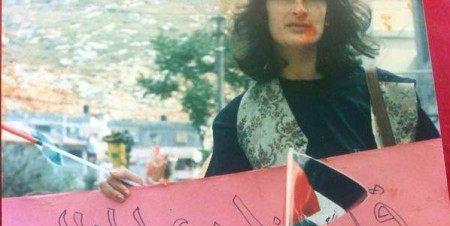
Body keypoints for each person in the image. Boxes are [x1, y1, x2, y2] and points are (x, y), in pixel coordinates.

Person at [99, 0, 439, 200]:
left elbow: (439, 190)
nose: (300, 9)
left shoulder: (391, 96)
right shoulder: (238, 121)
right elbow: (212, 220)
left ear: (331, 11)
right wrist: (134, 195)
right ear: (261, 11)